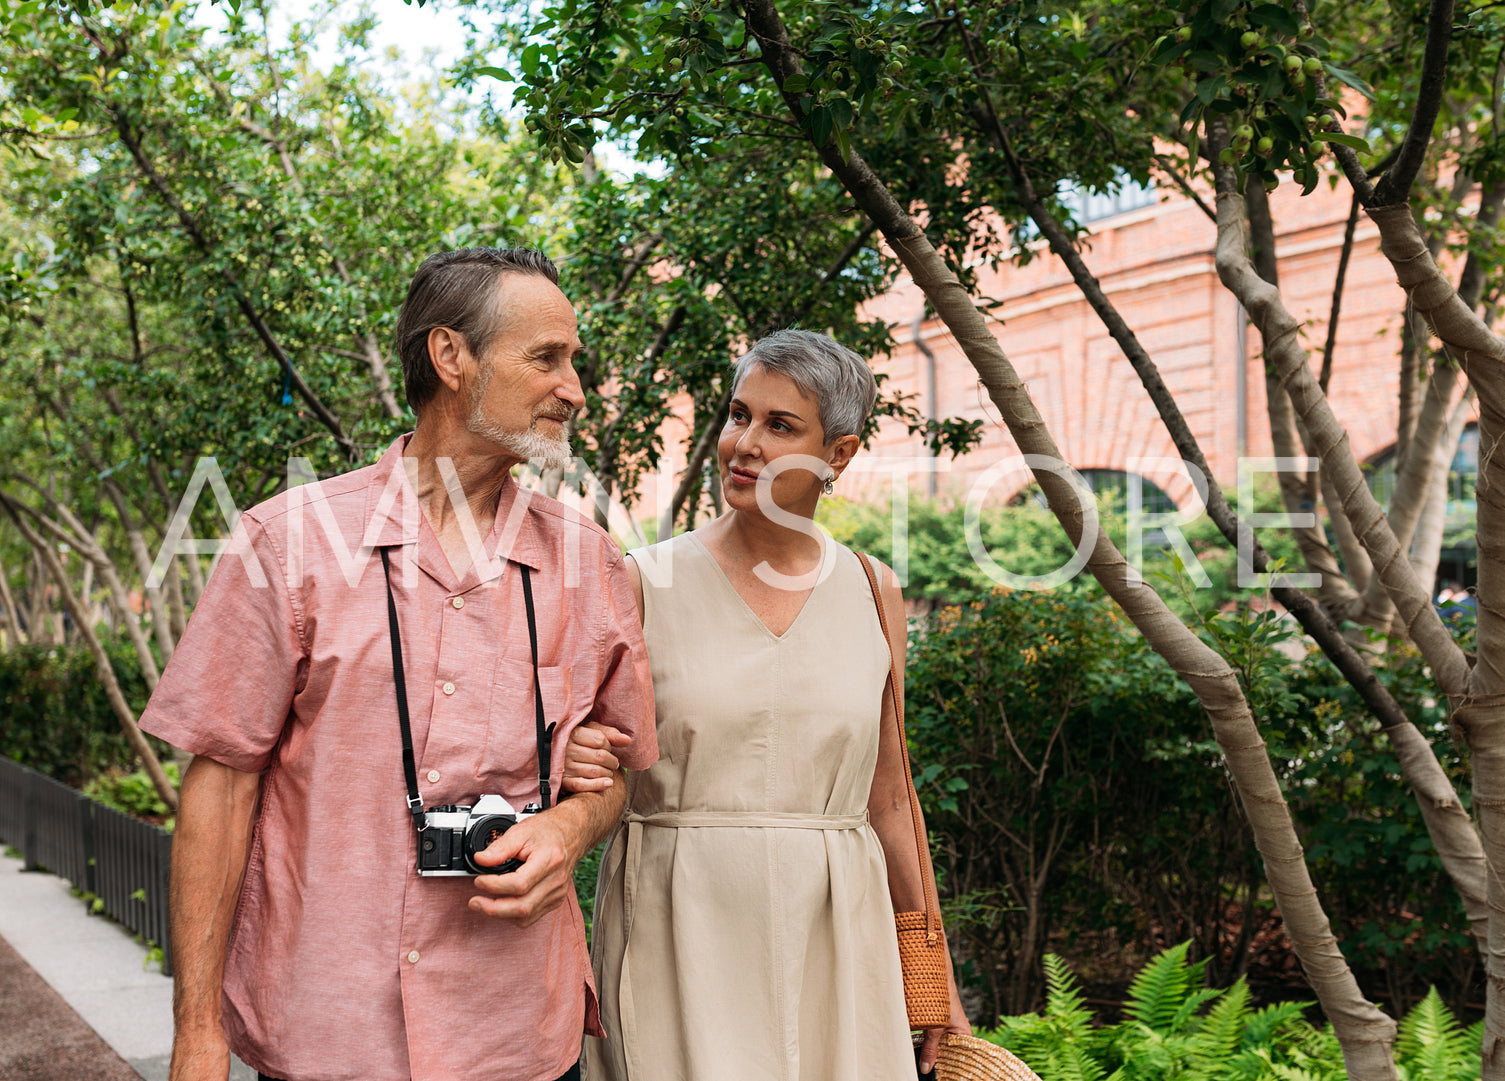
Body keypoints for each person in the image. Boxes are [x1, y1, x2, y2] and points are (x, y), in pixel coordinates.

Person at [139, 248, 657, 1081]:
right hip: (328, 1030)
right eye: (546, 358)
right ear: (451, 357)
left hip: (517, 1031)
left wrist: (569, 825)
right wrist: (198, 1030)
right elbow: (221, 784)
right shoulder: (287, 542)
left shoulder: (590, 564)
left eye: (574, 361)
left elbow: (611, 771)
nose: (575, 389)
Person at [563, 330, 971, 1081]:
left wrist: (929, 977)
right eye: (736, 414)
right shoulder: (641, 583)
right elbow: (578, 763)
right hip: (675, 927)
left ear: (838, 455)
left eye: (779, 426)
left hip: (838, 934)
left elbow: (888, 796)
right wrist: (573, 756)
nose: (742, 444)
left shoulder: (873, 590)